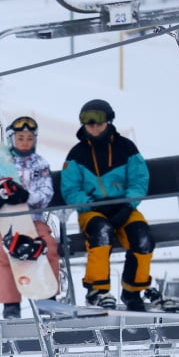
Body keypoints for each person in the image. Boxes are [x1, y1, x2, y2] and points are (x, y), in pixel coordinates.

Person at [61, 99, 164, 312]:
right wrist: (90, 205)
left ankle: (133, 291)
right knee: (101, 232)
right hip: (92, 211)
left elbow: (138, 179)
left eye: (98, 120)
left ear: (109, 120)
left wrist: (127, 205)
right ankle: (97, 290)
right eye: (87, 121)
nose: (93, 126)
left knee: (142, 236)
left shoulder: (126, 148)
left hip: (124, 207)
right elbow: (70, 188)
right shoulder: (77, 154)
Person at [0, 117, 61, 319]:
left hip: (33, 220)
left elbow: (46, 195)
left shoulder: (40, 164)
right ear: (12, 139)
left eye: (29, 138)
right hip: (4, 222)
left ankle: (48, 298)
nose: (25, 142)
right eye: (21, 138)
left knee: (48, 245)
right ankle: (11, 305)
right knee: (5, 250)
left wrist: (26, 197)